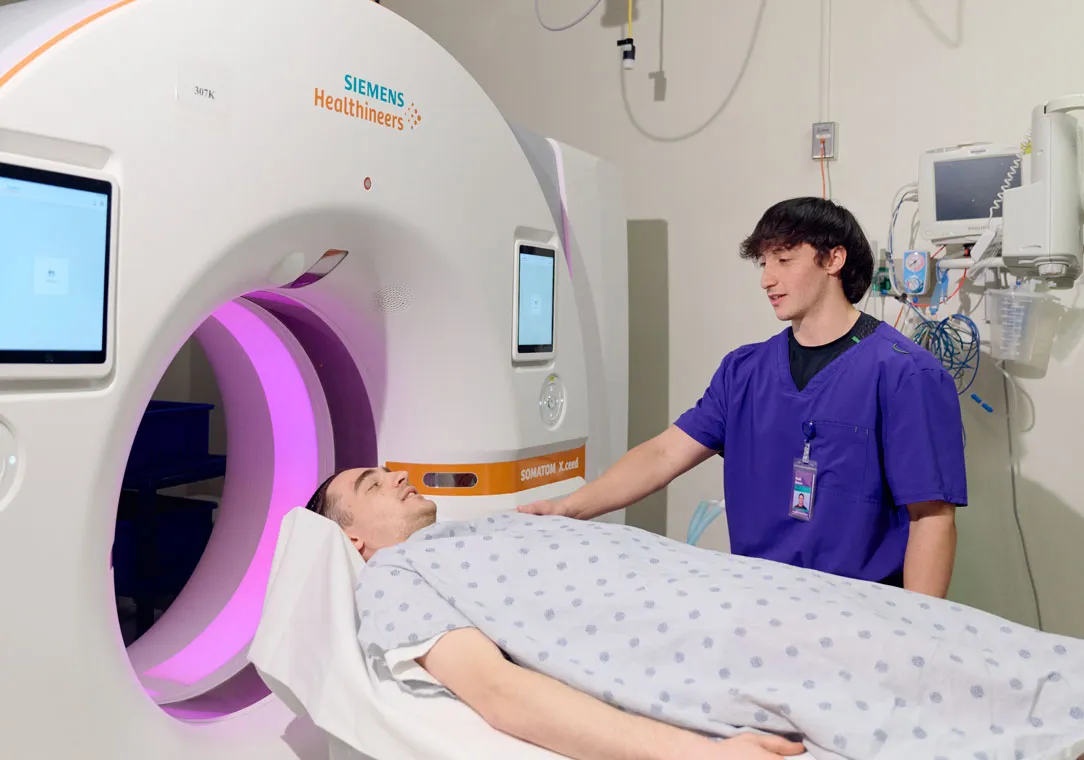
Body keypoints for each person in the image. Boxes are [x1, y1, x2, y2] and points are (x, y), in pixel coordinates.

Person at [305, 466, 1084, 760]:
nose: (398, 479)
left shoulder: (493, 528)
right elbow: (505, 697)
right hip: (719, 642)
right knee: (954, 695)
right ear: (352, 538)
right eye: (373, 485)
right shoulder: (397, 577)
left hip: (763, 592)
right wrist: (697, 756)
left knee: (946, 636)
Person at [521, 197, 968, 597]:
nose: (767, 279)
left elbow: (931, 516)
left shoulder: (905, 373)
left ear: (833, 259)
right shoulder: (745, 371)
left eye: (784, 259)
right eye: (763, 263)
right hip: (758, 603)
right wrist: (567, 508)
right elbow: (662, 454)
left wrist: (916, 632)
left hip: (860, 612)